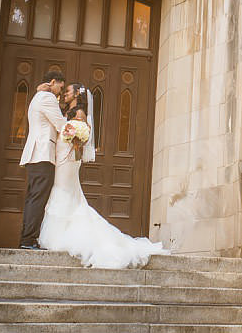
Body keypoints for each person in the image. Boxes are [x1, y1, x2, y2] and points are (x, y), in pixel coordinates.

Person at [38, 82, 169, 269]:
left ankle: (62, 235)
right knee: (62, 190)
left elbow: (84, 137)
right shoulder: (67, 111)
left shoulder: (80, 113)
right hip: (61, 158)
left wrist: (72, 137)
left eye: (67, 92)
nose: (65, 94)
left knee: (64, 190)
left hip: (68, 159)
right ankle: (60, 232)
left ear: (76, 94)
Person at [18, 70, 67, 250]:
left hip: (36, 155)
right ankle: (28, 240)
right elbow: (60, 124)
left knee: (33, 198)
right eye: (60, 87)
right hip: (42, 154)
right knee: (37, 198)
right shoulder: (47, 98)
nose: (60, 92)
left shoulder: (39, 96)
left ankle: (27, 238)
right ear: (53, 82)